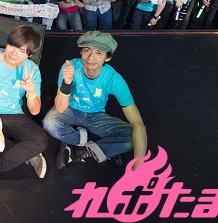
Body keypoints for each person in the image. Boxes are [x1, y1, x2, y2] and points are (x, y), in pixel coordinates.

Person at [43, 31, 147, 170]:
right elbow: (61, 108)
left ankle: (83, 149)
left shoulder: (114, 79)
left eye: (98, 53)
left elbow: (138, 124)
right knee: (50, 123)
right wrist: (67, 83)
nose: (91, 57)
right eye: (87, 50)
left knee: (133, 138)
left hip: (96, 115)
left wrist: (139, 164)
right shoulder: (69, 67)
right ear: (81, 52)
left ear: (107, 58)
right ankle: (96, 141)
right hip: (70, 109)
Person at [0, 26, 48, 200]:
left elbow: (35, 110)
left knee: (41, 141)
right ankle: (27, 154)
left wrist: (31, 92)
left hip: (14, 114)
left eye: (22, 51)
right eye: (13, 45)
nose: (13, 53)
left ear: (29, 55)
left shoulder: (32, 70)